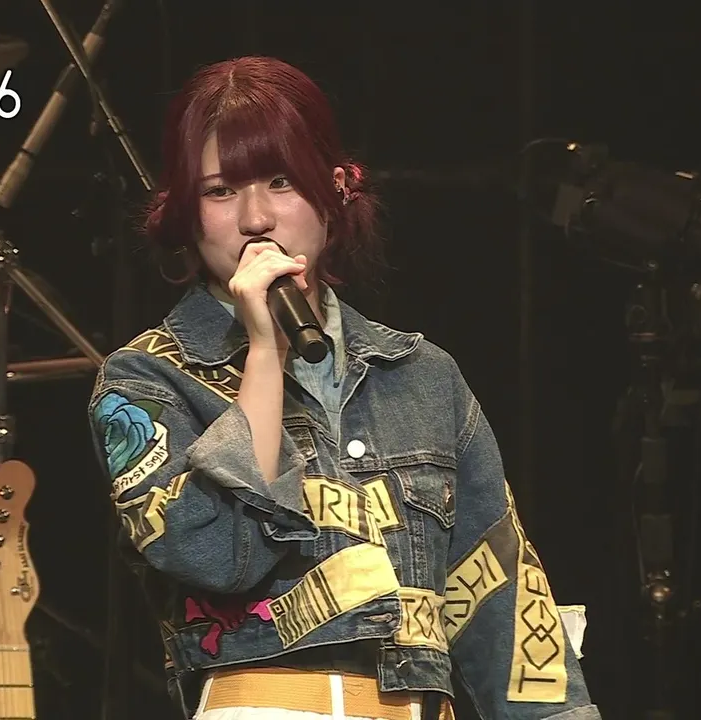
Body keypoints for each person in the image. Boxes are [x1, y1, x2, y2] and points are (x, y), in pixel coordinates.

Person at [87, 56, 601, 720]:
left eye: (280, 181)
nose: (255, 218)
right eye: (220, 191)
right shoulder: (147, 377)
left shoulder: (421, 375)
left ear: (334, 191)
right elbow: (213, 555)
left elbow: (503, 608)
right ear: (186, 213)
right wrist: (265, 351)